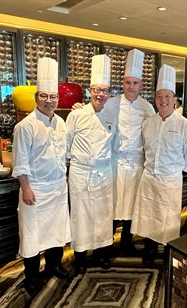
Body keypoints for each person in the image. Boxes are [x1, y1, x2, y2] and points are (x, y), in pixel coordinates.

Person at [72, 49, 155, 256]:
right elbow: (94, 112)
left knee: (132, 207)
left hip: (137, 163)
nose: (131, 87)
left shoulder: (147, 108)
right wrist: (80, 107)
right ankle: (105, 245)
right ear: (122, 84)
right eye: (127, 82)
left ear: (141, 86)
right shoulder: (111, 102)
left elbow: (153, 134)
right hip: (114, 163)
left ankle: (126, 241)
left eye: (135, 83)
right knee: (109, 208)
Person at [12, 57, 71, 294]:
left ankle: (54, 265)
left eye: (53, 96)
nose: (49, 101)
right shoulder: (24, 126)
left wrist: (65, 176)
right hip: (35, 189)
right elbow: (20, 161)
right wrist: (25, 188)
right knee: (33, 235)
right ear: (36, 97)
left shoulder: (60, 122)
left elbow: (62, 153)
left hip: (57, 188)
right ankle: (31, 277)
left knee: (56, 231)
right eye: (44, 96)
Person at [131, 64, 187, 267]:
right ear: (155, 100)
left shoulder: (184, 124)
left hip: (170, 179)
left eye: (167, 96)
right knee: (149, 217)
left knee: (168, 219)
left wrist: (181, 169)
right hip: (149, 177)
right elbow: (143, 149)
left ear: (174, 99)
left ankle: (168, 253)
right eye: (159, 96)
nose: (163, 100)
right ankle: (150, 251)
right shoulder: (148, 122)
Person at [66, 54, 117, 274]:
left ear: (109, 94)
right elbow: (65, 146)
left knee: (103, 215)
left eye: (104, 90)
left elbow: (115, 144)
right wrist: (66, 171)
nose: (100, 94)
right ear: (89, 91)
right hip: (81, 172)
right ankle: (79, 256)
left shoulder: (112, 116)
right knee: (81, 215)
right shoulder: (76, 115)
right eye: (96, 89)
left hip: (104, 172)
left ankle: (100, 254)